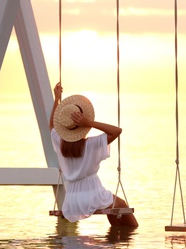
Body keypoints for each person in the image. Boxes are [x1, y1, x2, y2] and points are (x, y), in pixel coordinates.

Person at [49, 82, 138, 227]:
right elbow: (117, 131)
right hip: (93, 195)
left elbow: (52, 126)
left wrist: (56, 100)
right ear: (83, 126)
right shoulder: (91, 145)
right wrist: (89, 122)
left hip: (71, 200)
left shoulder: (60, 143)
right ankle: (126, 241)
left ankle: (114, 237)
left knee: (114, 212)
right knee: (123, 207)